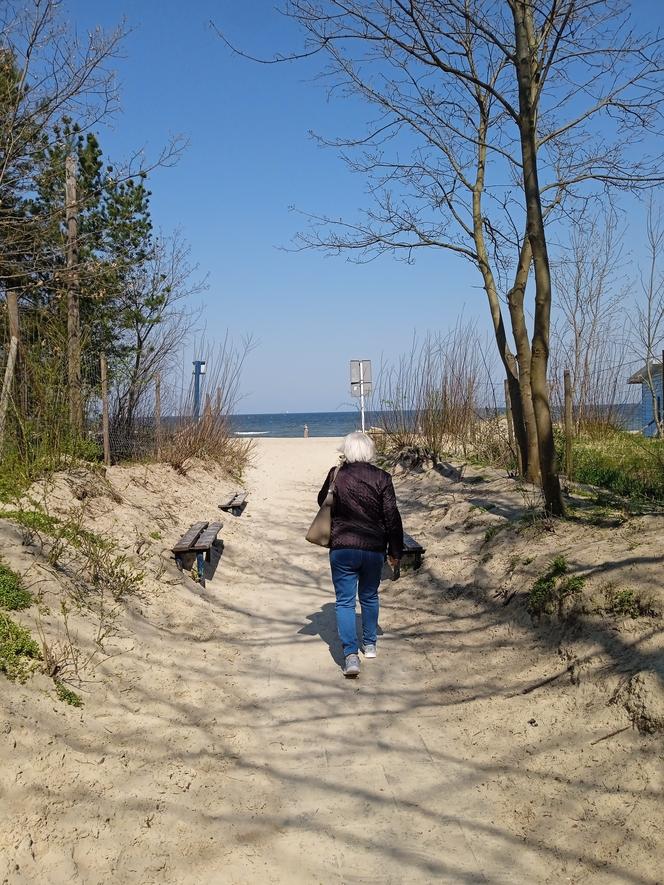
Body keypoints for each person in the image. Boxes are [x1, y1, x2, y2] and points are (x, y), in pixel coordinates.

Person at [317, 431, 403, 678]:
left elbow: (322, 501)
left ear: (347, 451)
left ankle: (351, 656)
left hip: (342, 546)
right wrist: (395, 550)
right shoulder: (382, 477)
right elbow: (391, 516)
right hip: (373, 548)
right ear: (369, 452)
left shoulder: (336, 475)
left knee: (344, 601)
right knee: (369, 595)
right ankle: (371, 644)